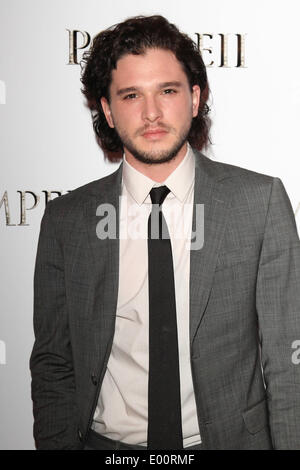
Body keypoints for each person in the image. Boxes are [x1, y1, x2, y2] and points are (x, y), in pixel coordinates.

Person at [29, 15, 300, 450]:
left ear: (194, 99)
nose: (151, 113)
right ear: (107, 110)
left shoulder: (259, 203)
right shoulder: (67, 220)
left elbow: (290, 362)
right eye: (131, 95)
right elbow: (53, 363)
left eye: (168, 91)